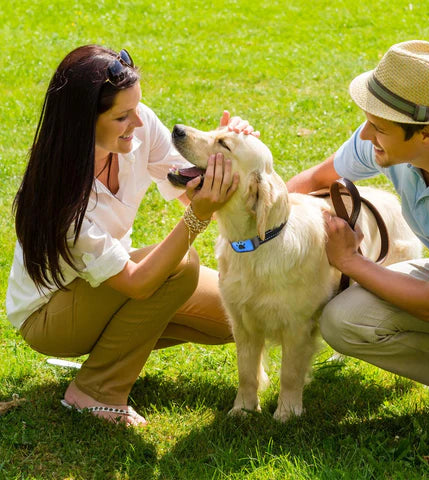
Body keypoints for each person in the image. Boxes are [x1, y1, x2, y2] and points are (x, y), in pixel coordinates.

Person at [6, 44, 257, 426]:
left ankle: (115, 351)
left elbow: (187, 182)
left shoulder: (135, 127)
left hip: (108, 284)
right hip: (50, 315)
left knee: (233, 315)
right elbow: (138, 284)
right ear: (82, 122)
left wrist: (228, 150)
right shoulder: (59, 197)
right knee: (180, 265)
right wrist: (197, 218)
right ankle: (94, 390)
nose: (138, 123)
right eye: (122, 116)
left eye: (136, 109)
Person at [287, 40, 429, 450]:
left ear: (427, 133)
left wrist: (350, 261)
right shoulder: (387, 141)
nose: (365, 134)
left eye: (379, 127)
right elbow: (313, 181)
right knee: (343, 320)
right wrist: (263, 228)